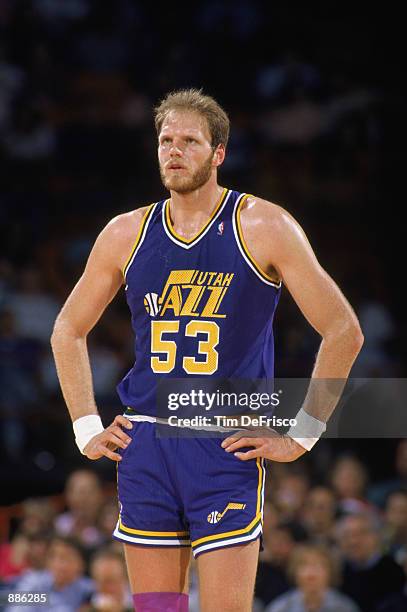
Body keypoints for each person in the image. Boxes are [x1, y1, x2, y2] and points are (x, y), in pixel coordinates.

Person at [51, 88, 363, 611]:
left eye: (190, 141)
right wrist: (85, 426)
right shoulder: (125, 232)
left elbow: (343, 330)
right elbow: (67, 330)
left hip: (223, 443)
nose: (174, 151)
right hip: (146, 442)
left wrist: (304, 433)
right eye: (165, 140)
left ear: (219, 153)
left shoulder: (263, 224)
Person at [265, 544, 360, 612]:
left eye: (319, 564)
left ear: (331, 571)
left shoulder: (345, 607)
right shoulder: (280, 607)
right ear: (295, 572)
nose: (312, 570)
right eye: (305, 564)